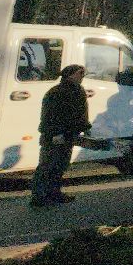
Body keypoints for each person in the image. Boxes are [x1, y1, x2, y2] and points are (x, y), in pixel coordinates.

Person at [31, 63, 90, 207]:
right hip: (55, 135)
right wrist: (55, 133)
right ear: (70, 75)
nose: (82, 77)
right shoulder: (57, 92)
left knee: (60, 165)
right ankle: (39, 196)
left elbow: (81, 113)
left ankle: (54, 193)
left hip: (67, 135)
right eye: (80, 73)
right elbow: (50, 116)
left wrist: (85, 127)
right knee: (48, 165)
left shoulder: (77, 90)